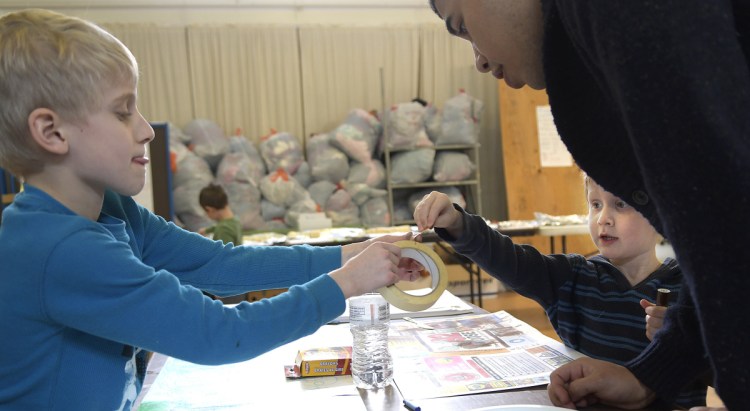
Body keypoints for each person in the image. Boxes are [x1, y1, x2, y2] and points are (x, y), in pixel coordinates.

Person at [0, 9, 418, 410]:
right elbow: (217, 333)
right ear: (52, 132)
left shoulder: (115, 212)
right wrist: (343, 283)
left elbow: (222, 264)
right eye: (123, 112)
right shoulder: (60, 248)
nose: (146, 130)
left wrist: (356, 254)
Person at [427, 1, 748, 409]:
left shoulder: (624, 14)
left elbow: (729, 234)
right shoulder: (577, 278)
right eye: (595, 204)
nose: (480, 62)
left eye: (463, 27)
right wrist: (649, 375)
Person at [414, 176, 706, 408]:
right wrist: (457, 223)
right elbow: (509, 259)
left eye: (620, 205)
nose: (603, 217)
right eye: (595, 204)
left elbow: (722, 374)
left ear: (660, 216)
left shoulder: (691, 293)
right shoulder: (573, 277)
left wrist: (682, 340)